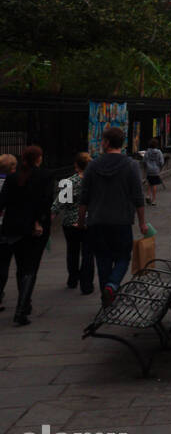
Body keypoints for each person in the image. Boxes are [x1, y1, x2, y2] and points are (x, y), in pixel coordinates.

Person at [77, 127, 148, 307]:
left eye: (102, 140)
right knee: (123, 257)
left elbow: (84, 197)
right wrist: (142, 222)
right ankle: (113, 284)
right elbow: (138, 197)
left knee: (102, 259)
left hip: (97, 220)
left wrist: (80, 219)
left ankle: (106, 297)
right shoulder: (131, 165)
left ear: (107, 142)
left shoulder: (93, 165)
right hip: (122, 220)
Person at [0, 146, 53, 325]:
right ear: (38, 158)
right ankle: (22, 308)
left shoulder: (13, 177)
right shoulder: (44, 176)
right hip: (33, 227)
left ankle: (24, 303)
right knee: (30, 268)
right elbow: (45, 201)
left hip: (12, 226)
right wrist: (39, 221)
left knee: (21, 266)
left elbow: (3, 201)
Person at [52, 152, 95, 295]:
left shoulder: (70, 182)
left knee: (72, 251)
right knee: (88, 253)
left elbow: (60, 203)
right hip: (90, 221)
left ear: (76, 165)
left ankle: (72, 279)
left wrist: (51, 215)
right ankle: (87, 283)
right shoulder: (95, 181)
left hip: (70, 222)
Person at [143, 139, 165, 206]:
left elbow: (144, 160)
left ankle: (147, 195)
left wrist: (146, 168)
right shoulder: (159, 152)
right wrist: (160, 168)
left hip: (149, 170)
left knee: (149, 183)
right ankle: (154, 200)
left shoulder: (147, 152)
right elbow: (161, 162)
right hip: (156, 170)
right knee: (154, 184)